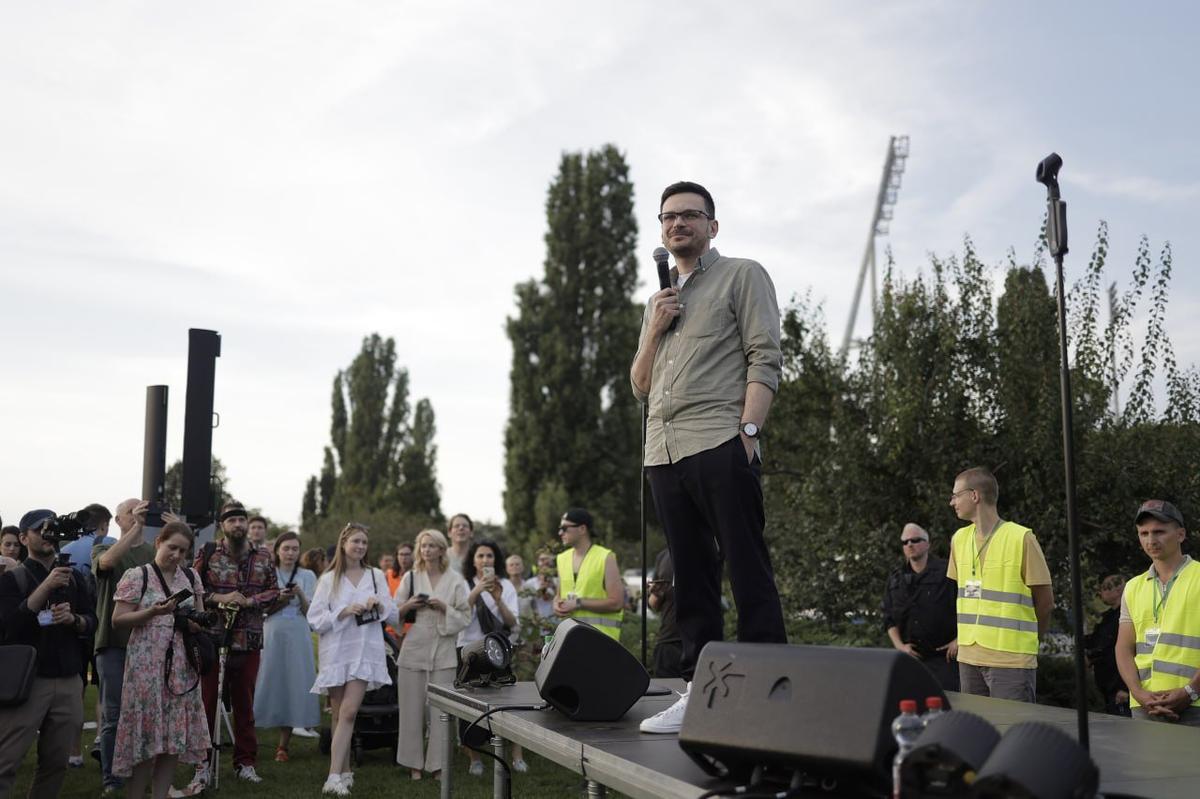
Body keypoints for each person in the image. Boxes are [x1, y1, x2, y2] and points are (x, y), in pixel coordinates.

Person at [631, 181, 788, 734]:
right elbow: (640, 384)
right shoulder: (660, 301)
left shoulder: (743, 274)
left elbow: (764, 356)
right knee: (690, 580)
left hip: (720, 440)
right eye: (669, 217)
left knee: (746, 568)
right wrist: (653, 329)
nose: (678, 224)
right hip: (663, 452)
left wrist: (748, 432)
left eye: (690, 216)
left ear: (712, 226)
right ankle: (701, 694)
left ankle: (771, 696)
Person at [0, 508, 98, 799]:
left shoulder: (76, 578)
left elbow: (92, 620)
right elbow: (10, 628)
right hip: (27, 682)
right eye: (39, 529)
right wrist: (46, 586)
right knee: (6, 761)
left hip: (69, 679)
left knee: (56, 763)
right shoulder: (11, 579)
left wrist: (74, 620)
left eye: (51, 528)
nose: (47, 534)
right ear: (23, 537)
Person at [110, 522, 209, 799]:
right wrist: (153, 613)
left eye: (183, 551)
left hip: (182, 669)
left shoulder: (190, 577)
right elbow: (118, 620)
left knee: (172, 742)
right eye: (172, 547)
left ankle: (160, 794)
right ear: (158, 543)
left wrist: (191, 623)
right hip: (146, 667)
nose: (176, 555)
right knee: (145, 741)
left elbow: (199, 620)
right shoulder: (138, 575)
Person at [947, 467, 1054, 702]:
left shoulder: (1022, 538)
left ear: (974, 496)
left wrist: (1028, 642)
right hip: (969, 659)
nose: (952, 501)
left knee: (1013, 734)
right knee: (977, 734)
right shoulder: (959, 540)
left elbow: (1045, 603)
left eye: (956, 495)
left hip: (1011, 661)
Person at [192, 501, 279, 786]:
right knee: (207, 704)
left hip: (250, 640)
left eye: (242, 519)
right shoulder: (207, 553)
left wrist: (251, 601)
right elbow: (194, 589)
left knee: (245, 705)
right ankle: (202, 764)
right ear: (222, 525)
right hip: (214, 640)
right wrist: (221, 599)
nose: (238, 524)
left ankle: (245, 763)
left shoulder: (265, 556)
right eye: (232, 520)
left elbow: (274, 591)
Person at [307, 523, 396, 795]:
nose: (360, 547)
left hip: (365, 651)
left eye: (364, 543)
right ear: (344, 542)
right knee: (337, 714)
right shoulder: (328, 579)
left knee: (348, 712)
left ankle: (332, 777)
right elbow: (315, 619)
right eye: (356, 541)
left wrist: (377, 605)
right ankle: (345, 772)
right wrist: (343, 611)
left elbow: (391, 612)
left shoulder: (375, 575)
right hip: (336, 652)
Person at [394, 529, 470, 781]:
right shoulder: (410, 577)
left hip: (444, 648)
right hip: (414, 646)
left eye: (431, 546)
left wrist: (444, 607)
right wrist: (409, 605)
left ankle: (438, 764)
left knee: (441, 711)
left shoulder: (456, 579)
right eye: (423, 546)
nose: (426, 550)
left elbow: (466, 616)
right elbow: (394, 614)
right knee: (410, 709)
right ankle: (413, 763)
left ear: (441, 549)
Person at [1115, 500, 1200, 725]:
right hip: (1146, 707)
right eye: (1144, 533)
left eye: (1159, 531)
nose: (1151, 540)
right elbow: (1123, 648)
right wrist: (1138, 693)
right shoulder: (1133, 586)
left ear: (1181, 534)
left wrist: (1190, 692)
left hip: (1195, 704)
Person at [93, 499, 158, 795]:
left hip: (148, 643)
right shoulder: (103, 549)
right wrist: (138, 528)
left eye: (141, 511)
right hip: (113, 644)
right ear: (119, 521)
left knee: (146, 713)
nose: (137, 516)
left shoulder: (153, 553)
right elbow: (107, 564)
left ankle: (141, 774)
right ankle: (112, 778)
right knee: (114, 714)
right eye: (130, 513)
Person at [253, 532, 320, 761]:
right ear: (278, 550)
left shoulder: (308, 575)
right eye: (286, 548)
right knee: (269, 679)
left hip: (298, 632)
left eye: (294, 549)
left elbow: (311, 612)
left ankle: (284, 744)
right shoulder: (267, 573)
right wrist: (279, 598)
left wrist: (299, 593)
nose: (290, 553)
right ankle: (252, 733)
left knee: (295, 681)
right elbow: (260, 609)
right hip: (273, 630)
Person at [459, 540, 523, 775]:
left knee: (506, 700)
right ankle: (475, 757)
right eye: (480, 556)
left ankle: (515, 755)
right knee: (470, 704)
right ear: (473, 561)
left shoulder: (505, 584)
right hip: (469, 650)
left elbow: (512, 623)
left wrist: (497, 598)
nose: (485, 560)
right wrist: (477, 591)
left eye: (489, 556)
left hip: (498, 650)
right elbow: (459, 616)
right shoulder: (463, 584)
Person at [882, 523, 959, 691]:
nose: (910, 544)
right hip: (910, 661)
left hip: (944, 660)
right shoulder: (896, 578)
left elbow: (969, 605)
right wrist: (900, 646)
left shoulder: (949, 572)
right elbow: (888, 617)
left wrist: (959, 640)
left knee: (946, 710)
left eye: (915, 540)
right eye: (905, 542)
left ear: (928, 544)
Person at [553, 509, 624, 641]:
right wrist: (556, 604)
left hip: (601, 641)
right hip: (570, 640)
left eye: (564, 528)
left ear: (582, 529)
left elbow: (617, 603)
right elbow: (558, 596)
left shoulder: (605, 557)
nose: (560, 533)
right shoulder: (561, 558)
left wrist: (578, 603)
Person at [1085, 573, 1129, 716]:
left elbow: (1129, 652)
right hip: (1108, 686)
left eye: (1105, 588)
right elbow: (1100, 644)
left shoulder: (1125, 618)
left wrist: (1124, 687)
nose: (1101, 592)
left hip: (1118, 688)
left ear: (1118, 590)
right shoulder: (1109, 618)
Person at [648, 548, 682, 678]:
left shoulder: (704, 546)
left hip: (698, 641)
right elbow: (653, 604)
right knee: (668, 696)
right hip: (668, 642)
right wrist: (656, 593)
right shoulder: (663, 555)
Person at [523, 549, 557, 621]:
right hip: (538, 624)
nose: (545, 562)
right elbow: (526, 605)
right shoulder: (529, 583)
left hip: (557, 622)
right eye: (542, 560)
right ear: (537, 563)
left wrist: (553, 587)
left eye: (547, 559)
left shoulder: (558, 581)